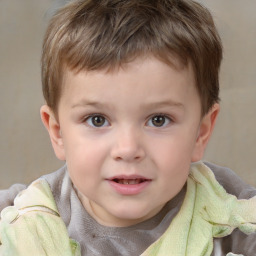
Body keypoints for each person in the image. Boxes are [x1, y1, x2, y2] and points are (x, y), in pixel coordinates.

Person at [0, 0, 256, 255]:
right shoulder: (21, 222)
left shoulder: (235, 214)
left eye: (158, 120)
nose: (128, 149)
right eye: (97, 120)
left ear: (200, 133)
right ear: (58, 133)